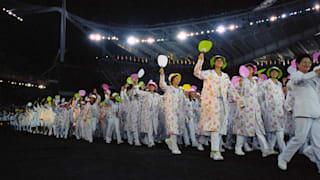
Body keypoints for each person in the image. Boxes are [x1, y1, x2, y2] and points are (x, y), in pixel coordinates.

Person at [194, 53, 244, 160]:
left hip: (223, 104)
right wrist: (200, 61)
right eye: (217, 60)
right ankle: (215, 151)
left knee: (220, 127)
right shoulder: (209, 73)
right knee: (214, 127)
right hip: (211, 103)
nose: (219, 62)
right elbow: (197, 73)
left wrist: (240, 101)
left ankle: (214, 151)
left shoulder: (225, 76)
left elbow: (231, 89)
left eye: (221, 61)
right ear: (214, 63)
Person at [278, 54, 320, 173]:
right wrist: (316, 71)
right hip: (303, 112)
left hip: (316, 112)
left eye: (309, 62)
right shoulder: (295, 76)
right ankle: (283, 157)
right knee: (300, 139)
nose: (307, 64)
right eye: (304, 62)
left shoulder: (314, 78)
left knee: (318, 142)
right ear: (297, 64)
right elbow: (300, 79)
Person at [234, 63, 273, 157]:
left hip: (255, 108)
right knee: (242, 128)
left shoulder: (255, 82)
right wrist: (241, 103)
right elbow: (235, 93)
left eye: (251, 68)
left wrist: (261, 82)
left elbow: (260, 94)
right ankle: (238, 147)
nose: (249, 70)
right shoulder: (241, 81)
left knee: (259, 128)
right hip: (245, 107)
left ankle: (265, 149)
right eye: (247, 68)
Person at [260, 66, 286, 153]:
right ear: (270, 73)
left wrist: (284, 105)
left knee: (277, 129)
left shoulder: (279, 84)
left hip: (279, 108)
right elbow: (260, 93)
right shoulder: (266, 82)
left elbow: (282, 96)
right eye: (272, 72)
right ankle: (283, 149)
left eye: (276, 72)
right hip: (270, 109)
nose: (274, 73)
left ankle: (270, 148)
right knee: (277, 129)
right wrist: (263, 105)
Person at [159, 67, 185, 155]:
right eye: (176, 79)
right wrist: (162, 75)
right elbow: (162, 85)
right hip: (170, 112)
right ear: (172, 80)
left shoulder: (181, 91)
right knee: (173, 129)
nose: (177, 80)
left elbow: (182, 102)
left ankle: (170, 140)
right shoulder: (169, 89)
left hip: (179, 112)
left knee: (177, 129)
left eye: (178, 79)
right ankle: (174, 147)